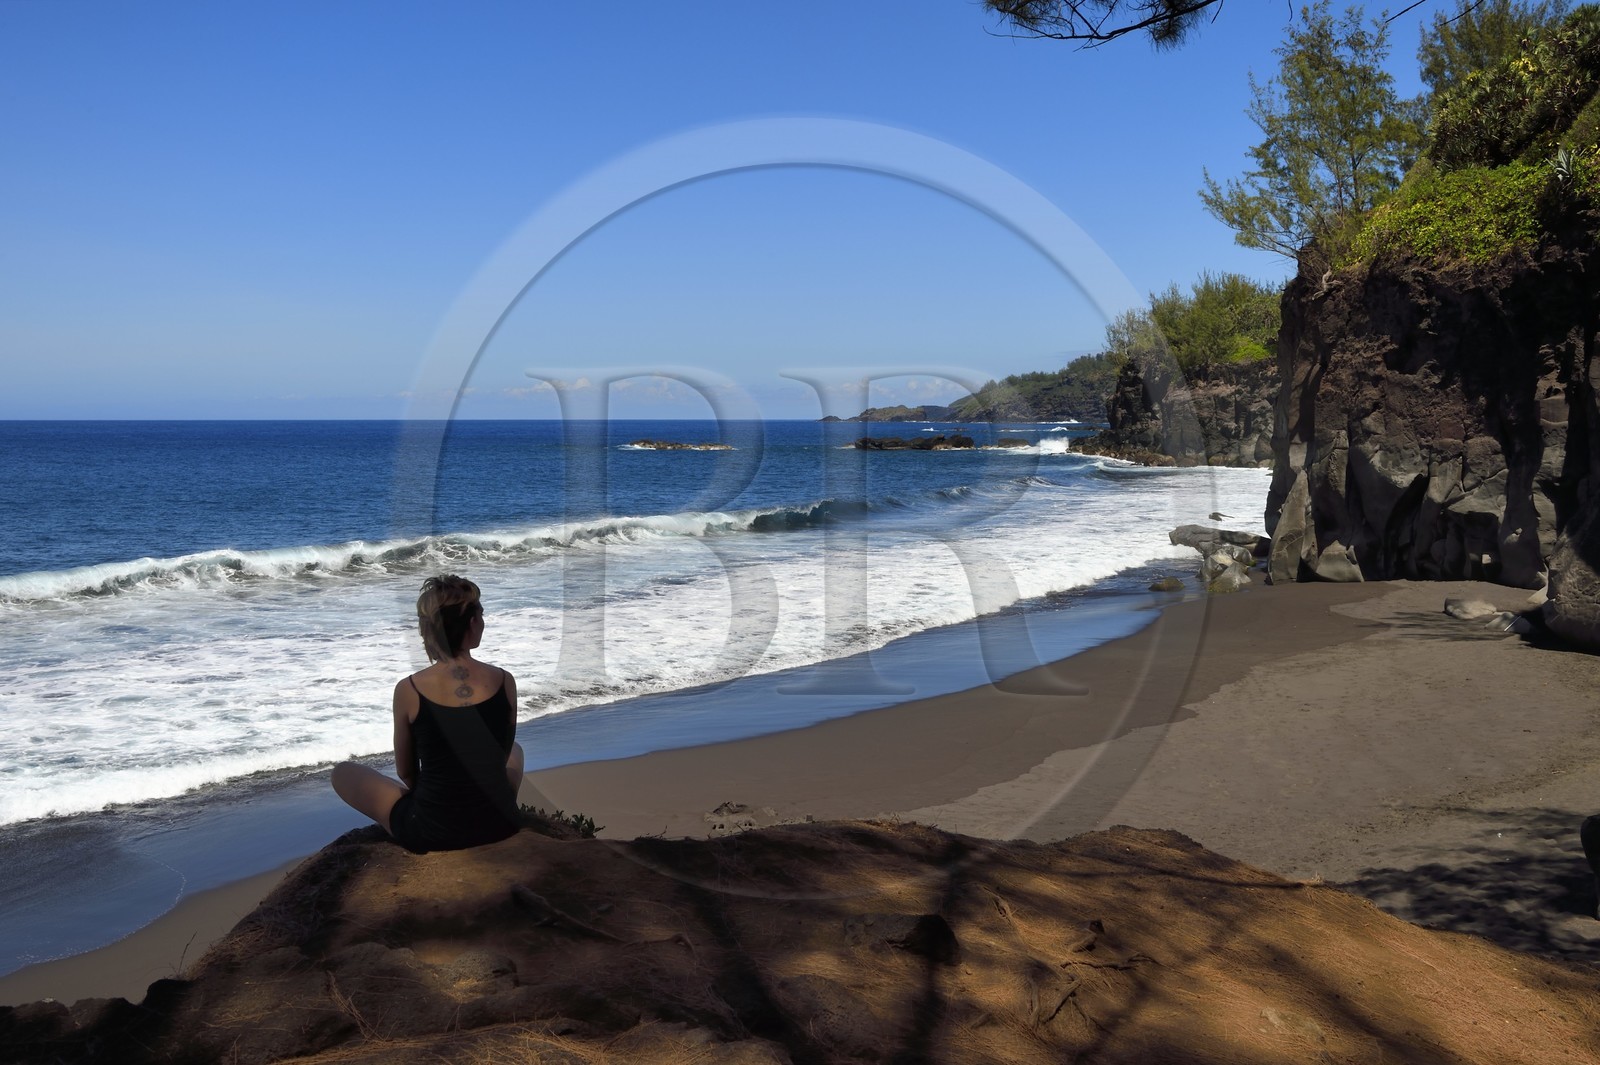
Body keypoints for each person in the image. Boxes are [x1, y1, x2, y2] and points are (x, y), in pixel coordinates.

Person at [332, 574, 525, 852]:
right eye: (481, 615)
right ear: (472, 623)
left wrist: (441, 798)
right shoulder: (504, 680)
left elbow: (406, 772)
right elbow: (502, 754)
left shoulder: (409, 689)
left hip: (433, 831)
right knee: (516, 752)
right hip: (501, 823)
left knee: (342, 772)